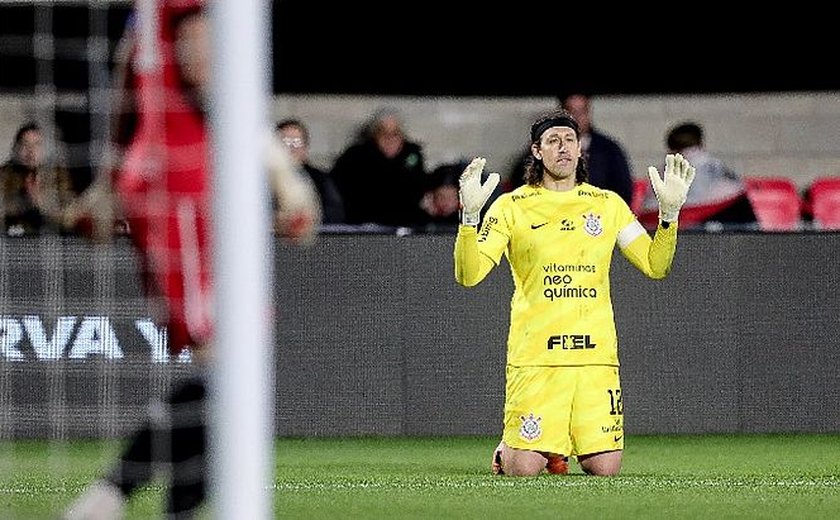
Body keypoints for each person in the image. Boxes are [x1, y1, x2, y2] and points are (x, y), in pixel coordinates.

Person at [62, 1, 320, 518]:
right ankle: (108, 495)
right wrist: (284, 177)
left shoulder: (147, 14)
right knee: (228, 370)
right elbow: (210, 78)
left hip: (164, 178)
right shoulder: (191, 8)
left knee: (228, 372)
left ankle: (159, 506)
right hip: (185, 186)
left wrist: (111, 181)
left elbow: (126, 84)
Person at [454, 109, 694, 477]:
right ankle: (511, 449)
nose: (563, 148)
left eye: (570, 140)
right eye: (553, 141)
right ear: (537, 151)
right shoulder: (511, 207)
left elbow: (654, 264)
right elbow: (469, 276)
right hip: (537, 358)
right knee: (523, 471)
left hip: (594, 358)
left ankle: (561, 444)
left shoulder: (607, 205)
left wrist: (669, 215)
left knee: (605, 469)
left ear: (581, 149)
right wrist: (469, 219)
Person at [508, 93, 634, 205]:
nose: (577, 118)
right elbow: (520, 183)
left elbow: (623, 193)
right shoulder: (542, 147)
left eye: (582, 112)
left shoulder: (609, 150)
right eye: (572, 111)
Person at [640, 121, 754, 228]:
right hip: (731, 228)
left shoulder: (664, 172)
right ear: (700, 142)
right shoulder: (716, 167)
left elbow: (649, 214)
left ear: (670, 148)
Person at [330, 107, 429, 228]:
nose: (390, 138)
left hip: (405, 226)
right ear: (374, 135)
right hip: (365, 226)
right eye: (383, 132)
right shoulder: (355, 157)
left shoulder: (412, 155)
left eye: (395, 133)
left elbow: (419, 191)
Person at [0, 121, 77, 236]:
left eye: (37, 144)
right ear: (16, 148)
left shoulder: (57, 174)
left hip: (48, 233)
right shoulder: (5, 173)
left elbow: (70, 210)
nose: (31, 151)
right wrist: (20, 205)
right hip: (13, 233)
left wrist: (42, 203)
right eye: (25, 144)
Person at [276, 118, 345, 225]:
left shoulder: (320, 181)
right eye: (284, 143)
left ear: (305, 149)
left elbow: (333, 213)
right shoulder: (260, 182)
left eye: (296, 143)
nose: (291, 149)